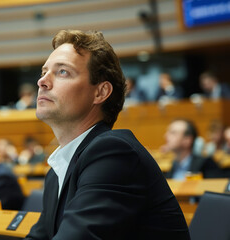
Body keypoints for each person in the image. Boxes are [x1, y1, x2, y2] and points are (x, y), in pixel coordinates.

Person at [25, 30, 189, 239]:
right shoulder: (57, 172)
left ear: (100, 92)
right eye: (43, 72)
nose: (42, 82)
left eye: (62, 72)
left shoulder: (113, 153)